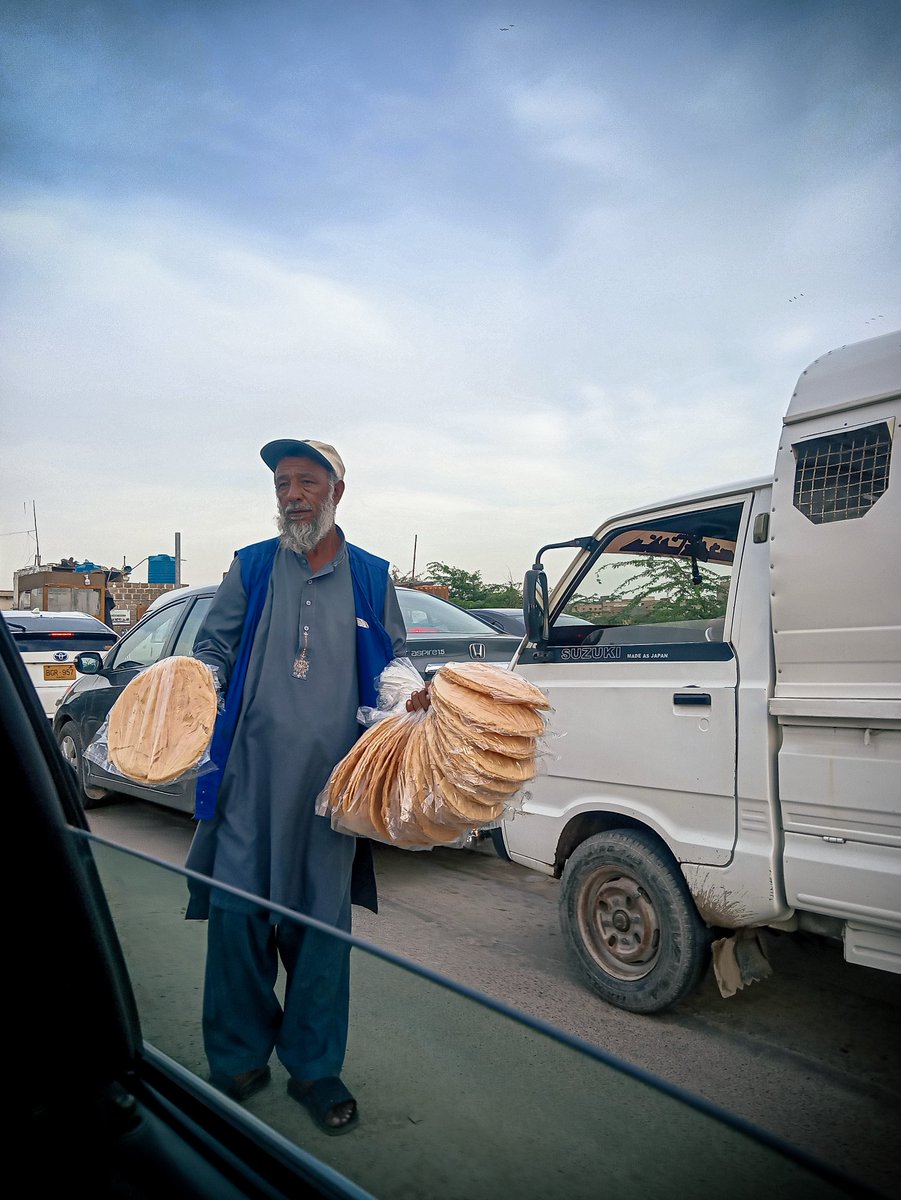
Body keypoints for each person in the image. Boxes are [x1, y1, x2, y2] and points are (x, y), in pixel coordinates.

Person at [185, 437, 428, 1135]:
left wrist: (406, 694)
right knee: (237, 925)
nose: (291, 494)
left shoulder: (371, 574)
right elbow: (214, 648)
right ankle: (236, 1060)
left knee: (321, 935)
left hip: (333, 800)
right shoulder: (252, 565)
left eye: (306, 482)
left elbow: (393, 661)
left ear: (335, 493)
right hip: (247, 787)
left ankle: (315, 1071)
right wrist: (197, 684)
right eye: (282, 483)